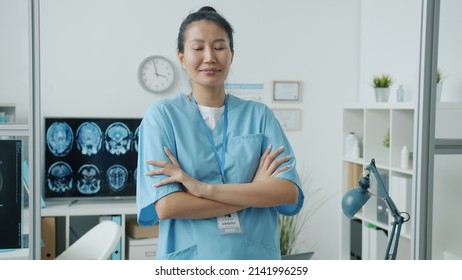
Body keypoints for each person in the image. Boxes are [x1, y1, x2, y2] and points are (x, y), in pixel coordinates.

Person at [136, 6, 304, 260]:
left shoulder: (259, 116)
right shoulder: (162, 117)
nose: (209, 57)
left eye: (219, 46)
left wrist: (202, 189)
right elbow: (168, 205)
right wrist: (254, 191)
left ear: (231, 54)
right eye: (198, 47)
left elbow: (287, 191)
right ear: (181, 57)